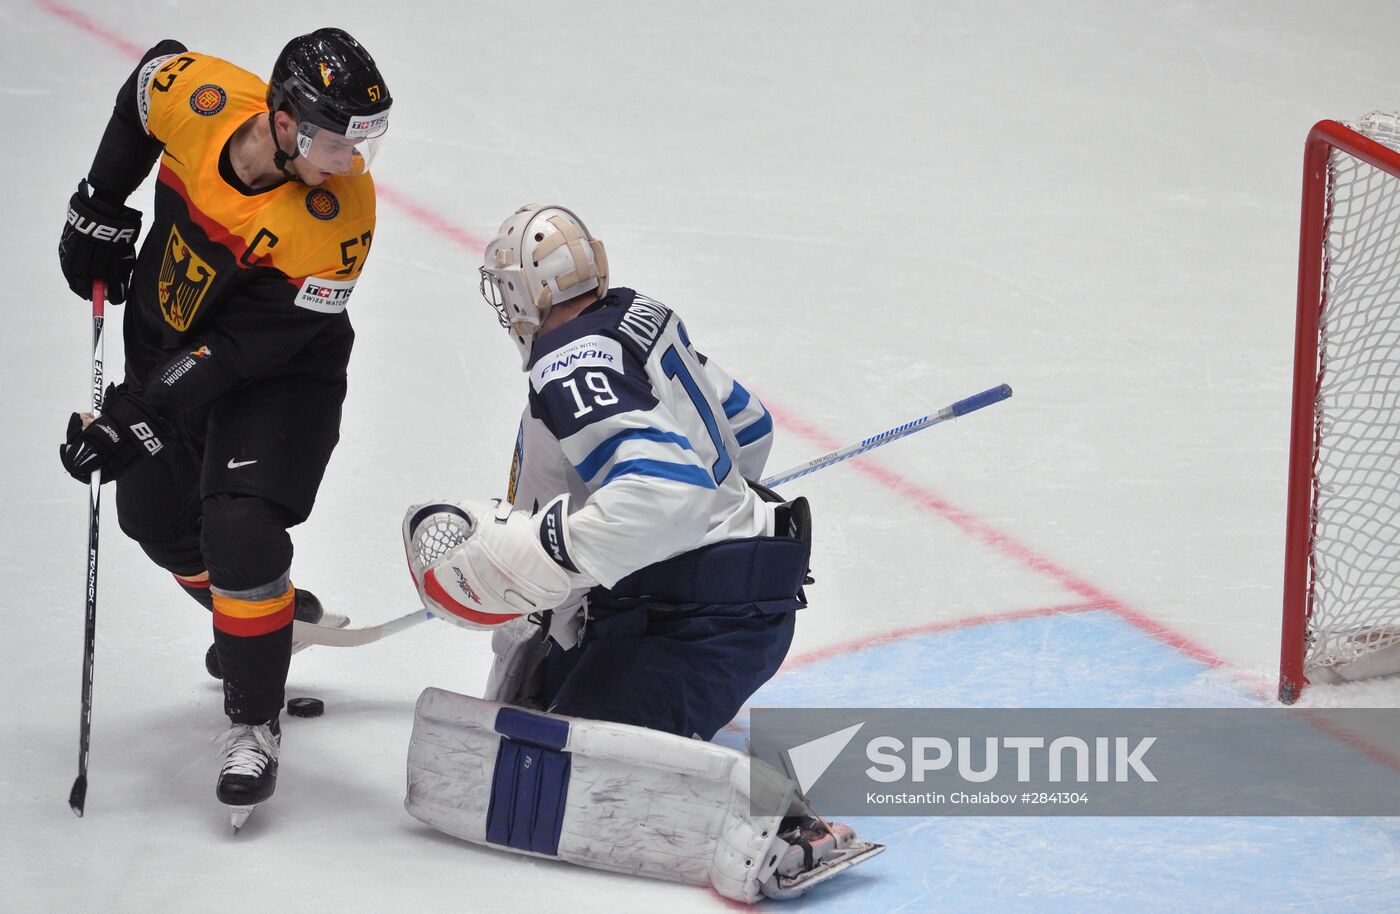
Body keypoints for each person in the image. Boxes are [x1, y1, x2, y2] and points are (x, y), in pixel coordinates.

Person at [400, 204, 882, 900]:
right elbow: (749, 427)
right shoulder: (639, 316)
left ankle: (786, 825)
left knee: (584, 773)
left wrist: (548, 547)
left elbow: (667, 498)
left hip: (702, 620)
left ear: (524, 293)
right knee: (541, 711)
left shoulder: (566, 362)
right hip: (724, 598)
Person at [57, 28, 392, 822]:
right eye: (335, 140)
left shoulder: (337, 220)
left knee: (238, 525)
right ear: (282, 119)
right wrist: (102, 204)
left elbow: (239, 350)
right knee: (153, 517)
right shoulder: (203, 99)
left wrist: (137, 414)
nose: (352, 162)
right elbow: (147, 82)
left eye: (365, 143)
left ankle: (253, 720)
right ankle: (268, 620)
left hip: (280, 374)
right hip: (171, 344)